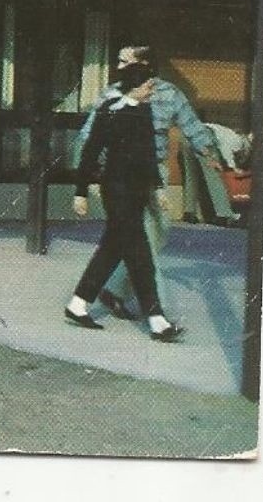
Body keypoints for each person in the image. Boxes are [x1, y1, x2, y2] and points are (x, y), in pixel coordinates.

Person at [76, 45, 225, 319]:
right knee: (141, 238)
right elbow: (89, 137)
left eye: (125, 62)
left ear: (143, 64)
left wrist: (208, 153)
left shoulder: (169, 94)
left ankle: (111, 290)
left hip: (154, 174)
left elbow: (191, 124)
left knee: (156, 231)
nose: (119, 67)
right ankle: (157, 313)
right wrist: (88, 182)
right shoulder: (113, 95)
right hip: (119, 177)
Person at [64, 59, 184, 341]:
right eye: (149, 86)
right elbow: (90, 151)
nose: (152, 91)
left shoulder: (144, 111)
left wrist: (158, 189)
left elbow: (148, 154)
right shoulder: (110, 112)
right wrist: (80, 191)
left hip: (138, 191)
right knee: (140, 254)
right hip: (116, 191)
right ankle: (157, 320)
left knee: (111, 250)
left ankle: (78, 304)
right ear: (136, 86)